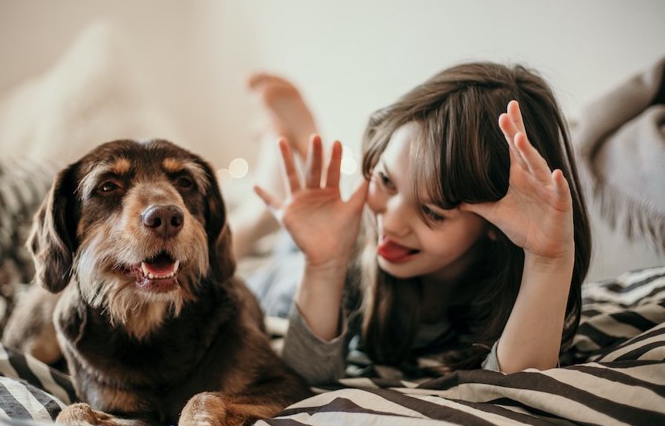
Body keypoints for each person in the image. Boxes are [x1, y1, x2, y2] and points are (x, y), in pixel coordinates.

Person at [243, 62, 592, 384]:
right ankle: (269, 200)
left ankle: (299, 153)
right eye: (385, 179)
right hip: (333, 252)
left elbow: (519, 385)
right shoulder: (359, 249)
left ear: (497, 226)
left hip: (343, 241)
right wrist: (323, 265)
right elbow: (304, 374)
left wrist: (549, 261)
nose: (392, 224)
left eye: (432, 212)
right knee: (244, 257)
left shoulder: (526, 293)